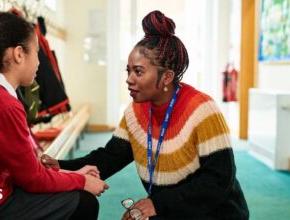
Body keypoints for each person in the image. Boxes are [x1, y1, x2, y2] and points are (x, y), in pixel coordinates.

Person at [42, 10, 249, 220]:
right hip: (173, 207)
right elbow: (110, 157)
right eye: (128, 70)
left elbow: (218, 180)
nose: (129, 79)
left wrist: (156, 204)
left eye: (138, 72)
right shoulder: (135, 111)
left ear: (166, 77)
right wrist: (62, 167)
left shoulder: (202, 109)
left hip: (216, 212)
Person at [0, 12, 108, 220]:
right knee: (82, 202)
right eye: (37, 53)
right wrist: (82, 181)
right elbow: (33, 179)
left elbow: (24, 170)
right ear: (19, 54)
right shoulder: (1, 104)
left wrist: (73, 174)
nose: (39, 63)